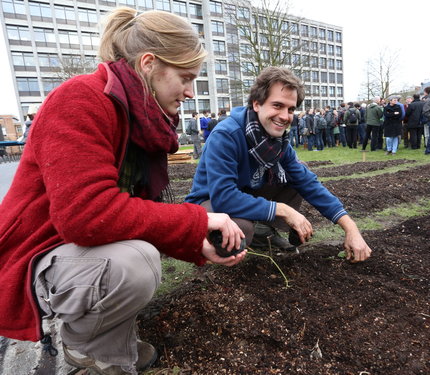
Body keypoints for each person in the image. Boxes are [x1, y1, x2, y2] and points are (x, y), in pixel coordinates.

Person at [0, 7, 246, 375]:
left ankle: (111, 342)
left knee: (137, 251)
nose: (191, 93)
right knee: (135, 262)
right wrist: (197, 220)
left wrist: (194, 242)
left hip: (70, 247)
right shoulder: (79, 100)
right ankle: (87, 347)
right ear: (149, 63)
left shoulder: (137, 117)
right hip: (34, 251)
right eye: (186, 77)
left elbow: (133, 215)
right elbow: (86, 216)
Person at [185, 66, 372, 261]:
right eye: (277, 105)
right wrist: (284, 210)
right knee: (239, 231)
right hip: (210, 203)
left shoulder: (278, 143)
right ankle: (235, 234)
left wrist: (350, 227)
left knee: (299, 174)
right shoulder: (227, 135)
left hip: (245, 192)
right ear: (257, 104)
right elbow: (224, 197)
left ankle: (264, 231)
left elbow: (309, 183)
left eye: (291, 109)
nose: (285, 116)